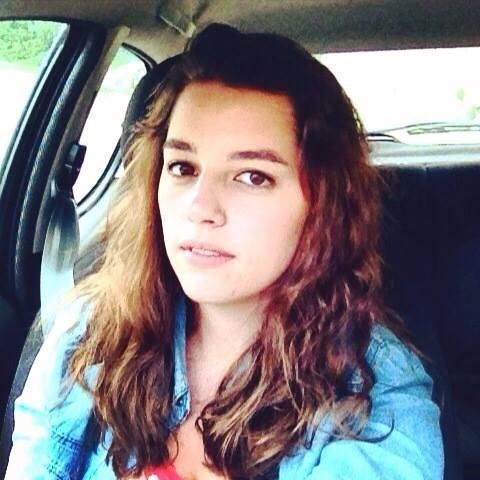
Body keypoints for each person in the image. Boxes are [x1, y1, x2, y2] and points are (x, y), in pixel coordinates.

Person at [5, 23, 443, 480]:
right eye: (182, 167)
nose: (200, 208)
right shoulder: (88, 336)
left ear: (321, 206)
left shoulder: (375, 394)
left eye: (252, 176)